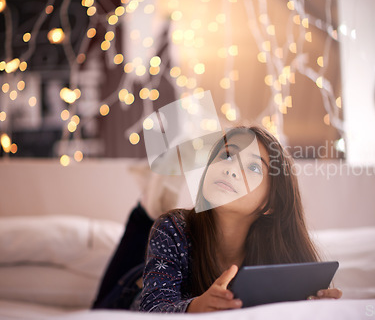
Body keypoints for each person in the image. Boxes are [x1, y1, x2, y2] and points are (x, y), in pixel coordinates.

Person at [92, 125, 342, 313]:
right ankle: (151, 197)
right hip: (128, 293)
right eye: (226, 155)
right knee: (148, 221)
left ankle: (156, 192)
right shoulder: (171, 229)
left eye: (253, 167)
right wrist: (196, 307)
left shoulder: (280, 252)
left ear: (271, 204)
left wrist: (315, 306)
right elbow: (153, 308)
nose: (231, 168)